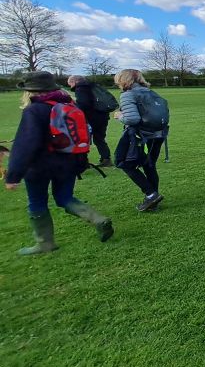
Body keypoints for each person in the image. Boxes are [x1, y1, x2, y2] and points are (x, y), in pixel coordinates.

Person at [3, 71, 114, 255]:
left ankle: (45, 243)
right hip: (68, 162)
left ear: (30, 92)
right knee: (65, 198)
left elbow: (26, 143)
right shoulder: (69, 105)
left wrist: (13, 175)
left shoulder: (35, 110)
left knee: (37, 202)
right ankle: (98, 219)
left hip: (40, 166)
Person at [113, 69, 166, 211]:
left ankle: (151, 195)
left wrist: (119, 116)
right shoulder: (151, 92)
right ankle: (152, 201)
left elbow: (132, 119)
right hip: (159, 134)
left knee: (122, 162)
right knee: (149, 165)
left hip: (139, 136)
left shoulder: (128, 94)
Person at [67, 75, 112, 167]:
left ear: (74, 82)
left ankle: (83, 162)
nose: (71, 87)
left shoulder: (80, 89)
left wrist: (74, 108)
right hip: (103, 116)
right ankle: (106, 159)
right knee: (99, 138)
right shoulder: (93, 86)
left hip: (91, 118)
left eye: (70, 84)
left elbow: (84, 104)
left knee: (84, 140)